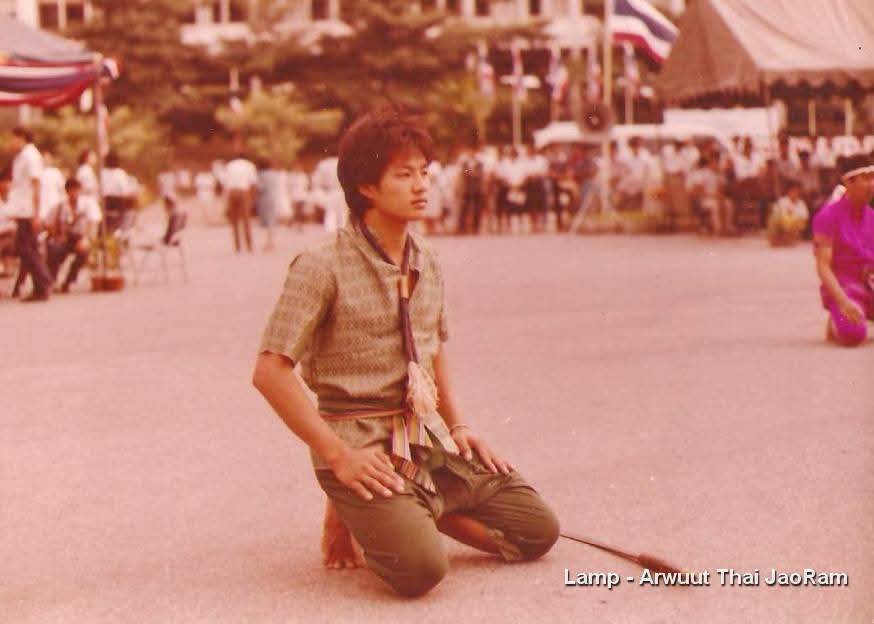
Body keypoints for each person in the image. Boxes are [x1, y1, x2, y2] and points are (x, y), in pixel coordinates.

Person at [252, 107, 559, 598]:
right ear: (366, 186)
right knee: (420, 572)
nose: (421, 186)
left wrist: (458, 428)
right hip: (359, 444)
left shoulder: (427, 260)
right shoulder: (320, 266)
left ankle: (411, 506)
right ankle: (358, 507)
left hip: (425, 439)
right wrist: (338, 456)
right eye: (404, 175)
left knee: (537, 530)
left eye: (424, 173)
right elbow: (269, 372)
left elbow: (432, 350)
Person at [812, 154, 874, 347]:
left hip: (869, 285)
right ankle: (837, 320)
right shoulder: (827, 216)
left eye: (873, 178)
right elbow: (823, 267)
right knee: (853, 333)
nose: (872, 184)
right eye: (866, 179)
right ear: (848, 182)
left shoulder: (872, 217)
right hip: (844, 289)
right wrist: (843, 302)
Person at [7, 127, 52, 302]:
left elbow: (36, 185)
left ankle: (44, 281)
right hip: (23, 209)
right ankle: (40, 287)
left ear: (22, 138)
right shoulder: (22, 156)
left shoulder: (30, 156)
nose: (11, 142)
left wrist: (36, 213)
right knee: (28, 248)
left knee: (25, 248)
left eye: (13, 138)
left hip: (29, 210)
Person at [46, 178, 95, 293]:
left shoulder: (88, 205)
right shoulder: (60, 206)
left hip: (81, 237)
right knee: (53, 249)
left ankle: (68, 282)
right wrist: (56, 235)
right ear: (67, 191)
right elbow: (48, 223)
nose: (74, 193)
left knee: (84, 252)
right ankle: (52, 280)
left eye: (76, 190)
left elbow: (93, 223)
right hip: (65, 238)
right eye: (71, 190)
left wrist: (86, 239)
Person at [223, 153, 257, 253]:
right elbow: (253, 182)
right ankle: (249, 246)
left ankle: (237, 246)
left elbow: (225, 182)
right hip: (243, 191)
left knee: (234, 220)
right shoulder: (249, 165)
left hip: (232, 192)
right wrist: (252, 197)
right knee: (246, 220)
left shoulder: (229, 165)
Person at [767, 181, 808, 247]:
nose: (794, 193)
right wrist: (785, 214)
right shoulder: (782, 201)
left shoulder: (801, 203)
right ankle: (776, 238)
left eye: (796, 191)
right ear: (788, 192)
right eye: (793, 191)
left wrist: (792, 215)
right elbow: (776, 211)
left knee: (793, 221)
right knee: (774, 218)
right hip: (782, 221)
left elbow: (804, 216)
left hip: (795, 222)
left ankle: (788, 238)